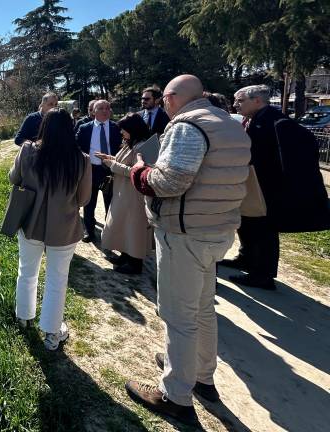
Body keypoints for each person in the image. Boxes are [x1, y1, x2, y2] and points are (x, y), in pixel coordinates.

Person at [125, 75, 251, 425]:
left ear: (174, 97)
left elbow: (170, 181)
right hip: (218, 229)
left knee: (178, 315)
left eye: (165, 98)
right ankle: (202, 375)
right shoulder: (231, 124)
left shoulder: (187, 126)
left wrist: (140, 172)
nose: (164, 104)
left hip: (184, 232)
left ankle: (175, 395)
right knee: (202, 307)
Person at [222, 84, 330, 289]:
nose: (235, 104)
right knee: (247, 223)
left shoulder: (276, 121)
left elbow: (285, 159)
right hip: (252, 184)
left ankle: (263, 274)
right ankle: (246, 258)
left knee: (264, 229)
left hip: (268, 188)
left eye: (240, 100)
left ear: (257, 101)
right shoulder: (254, 119)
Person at [10, 108, 92, 351]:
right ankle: (52, 334)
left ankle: (24, 318)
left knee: (26, 272)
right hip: (64, 228)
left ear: (43, 125)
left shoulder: (28, 151)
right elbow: (84, 199)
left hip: (30, 223)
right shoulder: (81, 160)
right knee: (57, 280)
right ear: (71, 127)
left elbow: (14, 178)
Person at [95, 113, 154, 274]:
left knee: (133, 228)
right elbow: (124, 163)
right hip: (123, 193)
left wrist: (112, 165)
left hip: (134, 196)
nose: (121, 132)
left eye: (124, 130)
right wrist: (110, 158)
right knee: (123, 225)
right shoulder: (130, 143)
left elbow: (139, 171)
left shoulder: (142, 146)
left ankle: (135, 263)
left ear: (132, 129)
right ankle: (125, 256)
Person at [74, 99, 121, 243]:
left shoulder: (116, 128)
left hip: (111, 171)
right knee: (89, 202)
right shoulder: (85, 128)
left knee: (111, 204)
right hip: (91, 170)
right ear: (93, 111)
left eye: (108, 108)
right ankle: (89, 230)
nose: (105, 111)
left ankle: (110, 233)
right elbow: (77, 148)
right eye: (101, 108)